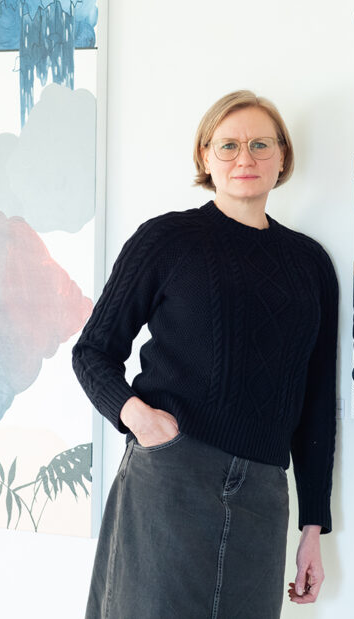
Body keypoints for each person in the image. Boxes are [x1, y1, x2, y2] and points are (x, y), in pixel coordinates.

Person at [73, 89, 338, 619]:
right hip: (171, 475)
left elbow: (316, 399)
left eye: (261, 144)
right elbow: (93, 352)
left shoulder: (309, 264)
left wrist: (312, 527)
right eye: (228, 145)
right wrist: (142, 421)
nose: (245, 158)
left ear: (282, 156)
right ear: (205, 156)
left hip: (264, 493)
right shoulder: (166, 240)